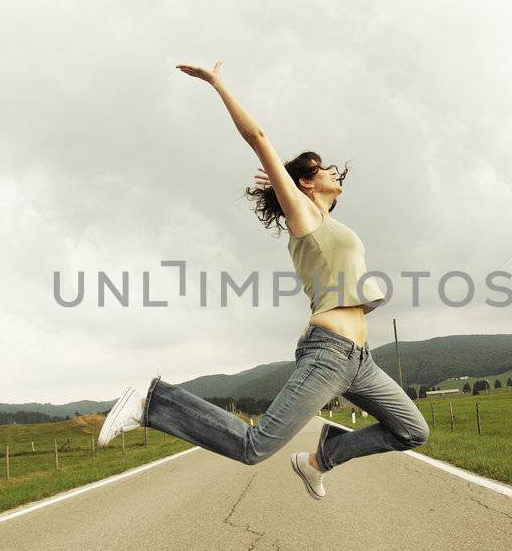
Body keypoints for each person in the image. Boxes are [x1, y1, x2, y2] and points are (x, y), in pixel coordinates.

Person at [97, 61, 429, 499]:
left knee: (411, 430)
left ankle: (321, 457)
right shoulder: (305, 217)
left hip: (359, 360)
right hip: (328, 354)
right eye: (322, 168)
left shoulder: (328, 223)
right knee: (254, 447)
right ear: (306, 186)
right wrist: (218, 84)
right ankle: (153, 402)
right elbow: (258, 138)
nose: (332, 171)